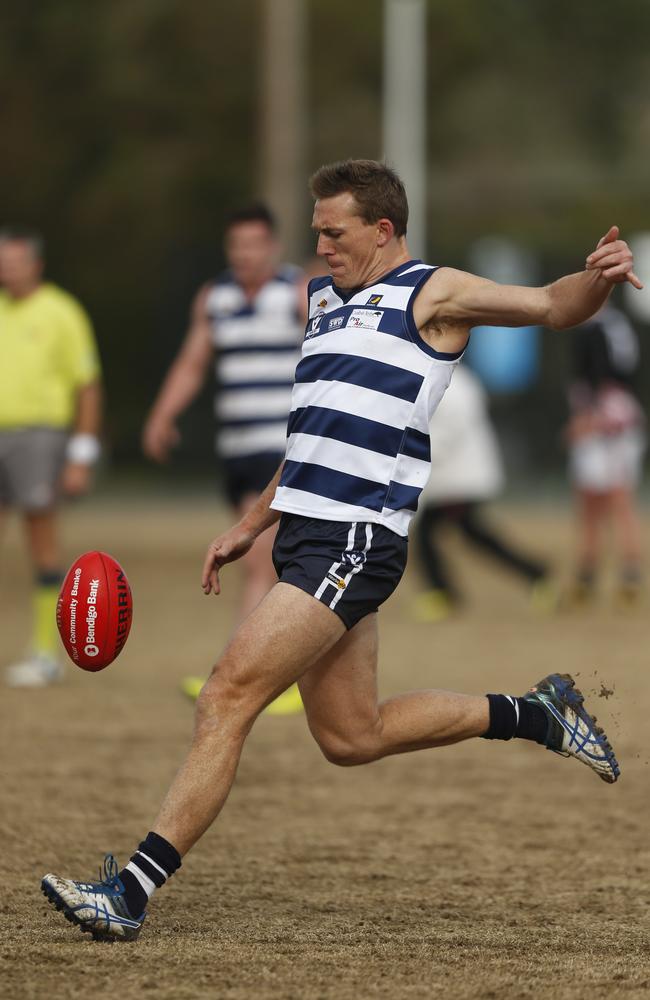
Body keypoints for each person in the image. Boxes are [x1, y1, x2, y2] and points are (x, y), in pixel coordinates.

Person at [41, 160, 641, 941]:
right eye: (317, 229)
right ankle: (535, 714)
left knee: (226, 695)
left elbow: (554, 306)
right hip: (303, 535)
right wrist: (253, 524)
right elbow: (311, 436)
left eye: (334, 231)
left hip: (358, 536)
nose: (319, 244)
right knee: (350, 737)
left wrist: (596, 276)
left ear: (383, 230)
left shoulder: (434, 292)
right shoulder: (322, 304)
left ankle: (129, 894)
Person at [142, 204, 306, 709]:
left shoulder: (297, 293)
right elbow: (194, 362)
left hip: (281, 450)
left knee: (262, 564)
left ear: (272, 246)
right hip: (236, 451)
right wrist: (162, 415)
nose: (245, 254)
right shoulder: (215, 298)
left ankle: (240, 676)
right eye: (236, 245)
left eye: (254, 244)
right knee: (269, 565)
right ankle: (269, 677)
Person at [0, 228, 102, 688]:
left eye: (15, 260)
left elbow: (87, 384)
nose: (7, 268)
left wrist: (81, 453)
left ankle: (46, 651)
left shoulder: (61, 311)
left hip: (39, 437)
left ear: (35, 264)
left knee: (41, 542)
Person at [413, 363, 552, 622]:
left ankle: (442, 593)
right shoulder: (449, 375)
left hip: (459, 479)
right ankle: (535, 573)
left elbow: (449, 428)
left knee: (435, 535)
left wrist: (416, 454)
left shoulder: (450, 379)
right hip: (454, 478)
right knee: (470, 534)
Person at [564, 301, 645, 607]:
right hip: (618, 419)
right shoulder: (620, 325)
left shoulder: (596, 327)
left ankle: (608, 574)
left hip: (604, 422)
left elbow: (597, 375)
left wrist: (587, 417)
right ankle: (613, 574)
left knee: (603, 504)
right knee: (612, 503)